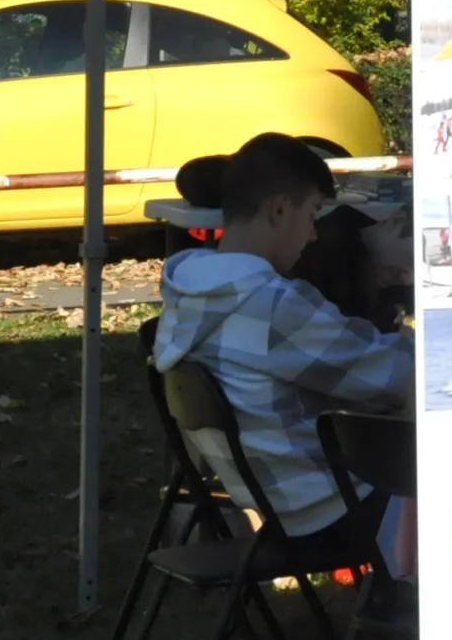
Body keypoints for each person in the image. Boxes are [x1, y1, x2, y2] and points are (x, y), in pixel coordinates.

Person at [154, 134, 411, 545]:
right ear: (279, 209)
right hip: (331, 506)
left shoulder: (188, 291)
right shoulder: (273, 306)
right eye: (312, 214)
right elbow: (399, 378)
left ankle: (388, 596)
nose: (312, 235)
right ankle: (398, 600)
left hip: (275, 503)